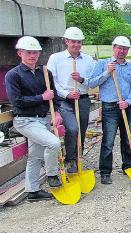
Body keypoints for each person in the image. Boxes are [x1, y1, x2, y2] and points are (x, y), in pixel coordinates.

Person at [5, 36, 62, 201]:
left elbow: (54, 95)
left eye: (36, 52)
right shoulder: (13, 75)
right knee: (53, 143)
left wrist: (56, 112)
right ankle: (52, 174)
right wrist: (42, 97)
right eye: (29, 52)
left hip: (43, 119)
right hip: (25, 120)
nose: (32, 56)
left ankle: (33, 191)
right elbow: (17, 102)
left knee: (35, 156)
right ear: (19, 53)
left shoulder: (44, 73)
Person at [87, 36, 131, 184]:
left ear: (127, 50)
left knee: (127, 139)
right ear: (113, 47)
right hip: (110, 107)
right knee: (108, 141)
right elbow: (91, 83)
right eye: (119, 48)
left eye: (124, 49)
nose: (121, 51)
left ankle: (128, 166)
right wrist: (107, 72)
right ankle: (105, 171)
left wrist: (128, 101)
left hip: (126, 107)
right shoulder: (103, 64)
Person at [46, 27, 95, 175]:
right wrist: (67, 94)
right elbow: (52, 81)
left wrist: (81, 79)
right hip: (64, 100)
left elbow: (92, 81)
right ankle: (70, 159)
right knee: (72, 128)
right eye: (73, 41)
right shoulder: (56, 58)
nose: (76, 45)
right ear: (66, 41)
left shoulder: (88, 60)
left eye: (79, 42)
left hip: (83, 99)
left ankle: (78, 156)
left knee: (81, 130)